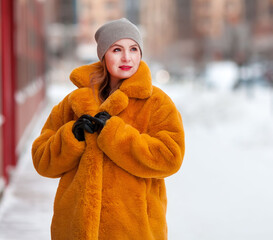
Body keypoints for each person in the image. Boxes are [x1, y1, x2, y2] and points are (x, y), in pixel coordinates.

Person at [32, 18, 185, 240]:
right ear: (103, 55)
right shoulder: (74, 102)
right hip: (74, 229)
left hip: (134, 230)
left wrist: (115, 134)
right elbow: (41, 161)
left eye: (133, 49)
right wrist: (71, 137)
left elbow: (171, 156)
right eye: (116, 49)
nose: (126, 57)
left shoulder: (157, 103)